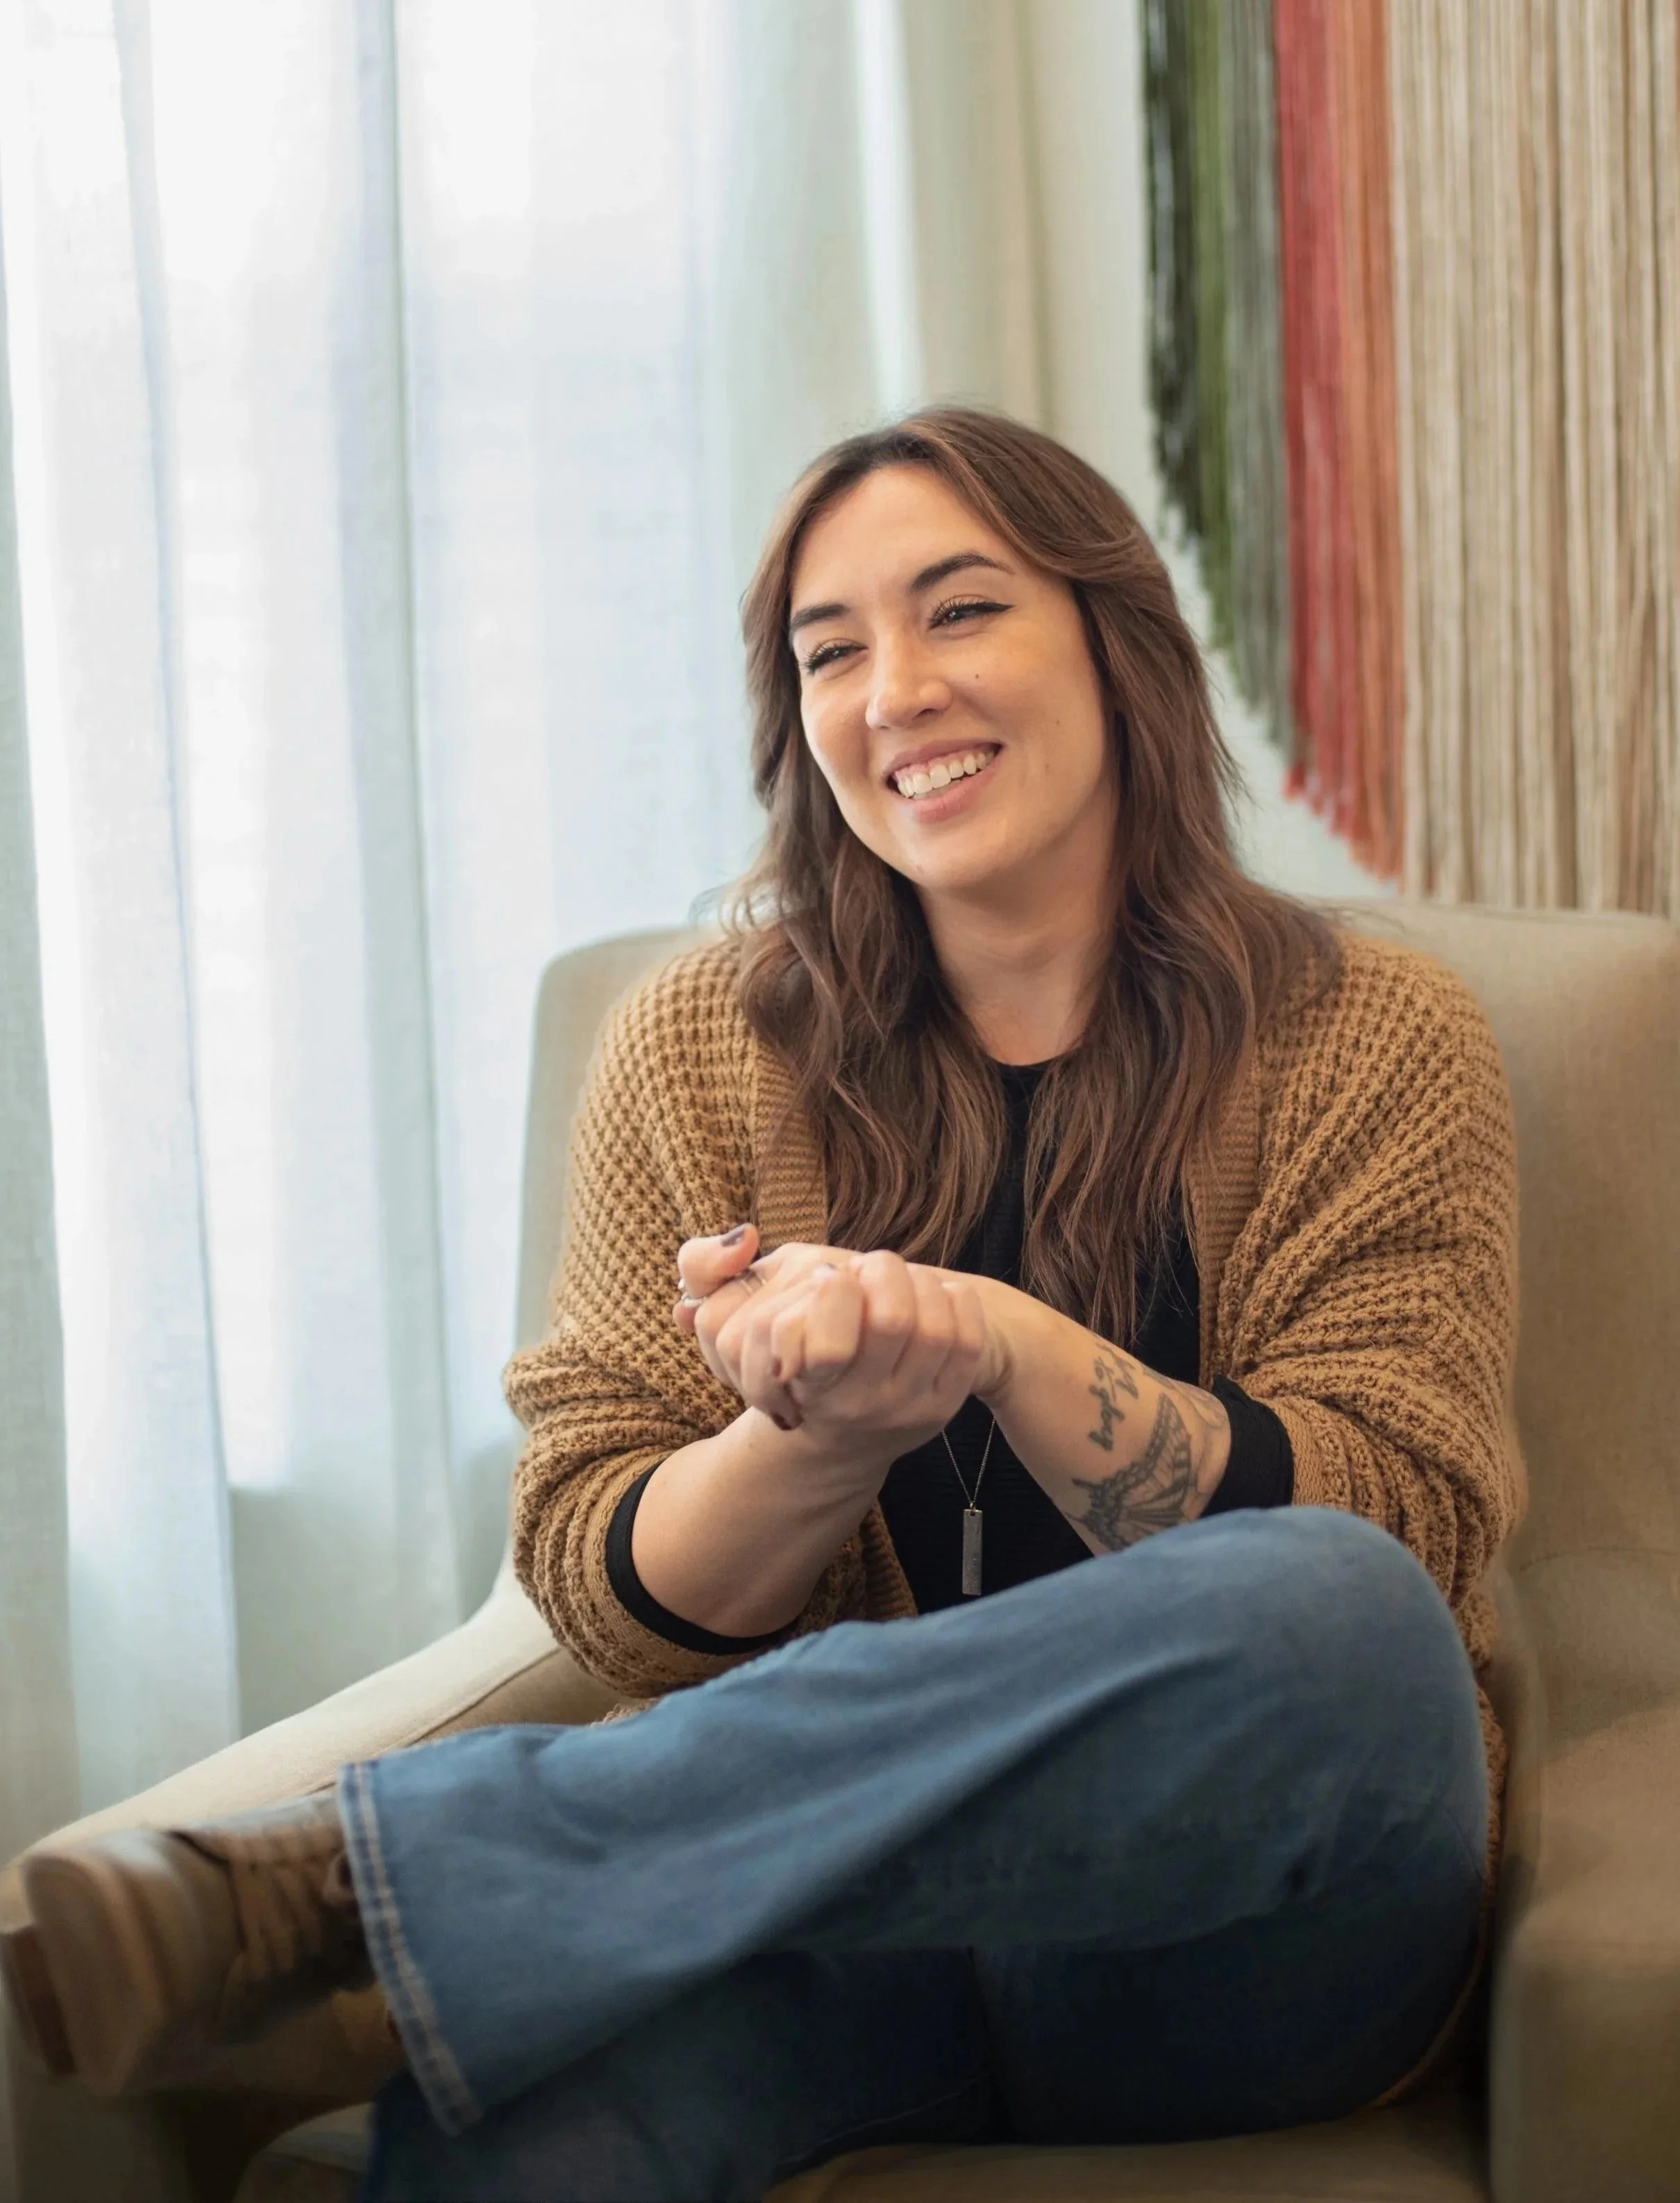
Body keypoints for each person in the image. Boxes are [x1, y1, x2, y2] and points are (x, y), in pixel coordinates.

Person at [6, 409, 1521, 2203]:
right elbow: (593, 1571)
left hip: (1236, 1952)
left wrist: (1005, 1345)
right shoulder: (703, 1048)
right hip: (828, 1941)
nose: (894, 690)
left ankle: (368, 1885)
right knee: (507, 2151)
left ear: (1117, 648)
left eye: (960, 612)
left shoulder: (1369, 1033)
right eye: (830, 649)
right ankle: (432, 1897)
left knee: (1333, 1604)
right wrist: (812, 1443)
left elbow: (1409, 1530)